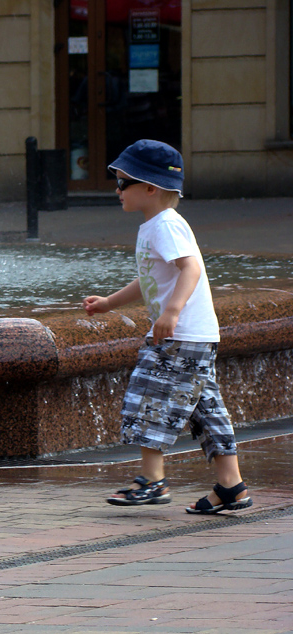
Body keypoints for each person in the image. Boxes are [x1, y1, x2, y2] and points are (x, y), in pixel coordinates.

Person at [83, 140, 252, 514]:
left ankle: (153, 481)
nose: (116, 190)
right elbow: (149, 280)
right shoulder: (154, 226)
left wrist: (172, 312)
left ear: (150, 188)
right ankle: (232, 487)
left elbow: (191, 268)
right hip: (194, 336)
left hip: (181, 335)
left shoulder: (166, 226)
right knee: (206, 410)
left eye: (123, 182)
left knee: (147, 395)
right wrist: (110, 302)